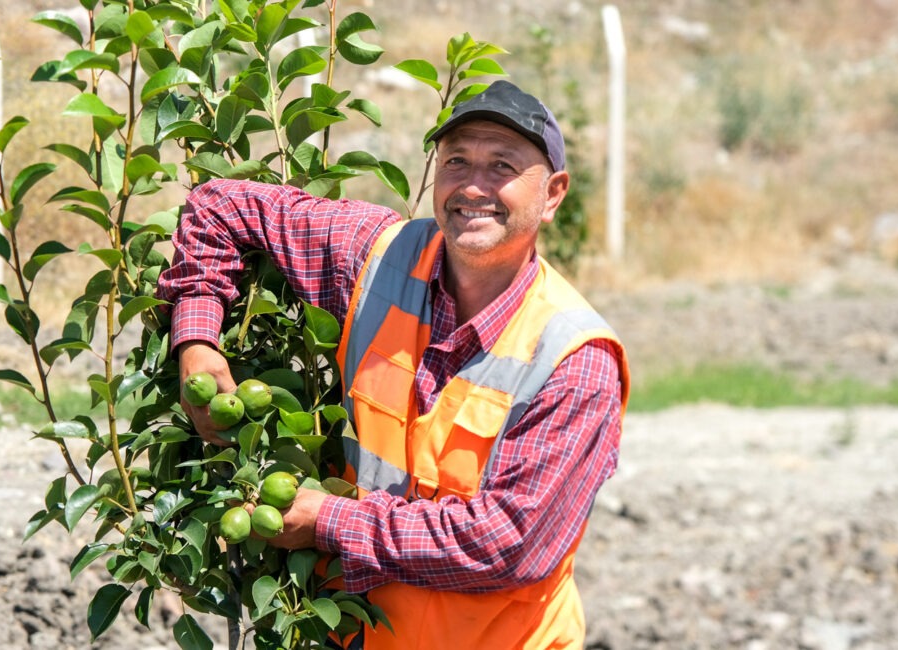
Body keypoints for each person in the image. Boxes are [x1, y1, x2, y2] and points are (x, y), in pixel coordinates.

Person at [157, 80, 630, 650]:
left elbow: (511, 542)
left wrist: (330, 521)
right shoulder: (377, 259)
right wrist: (196, 342)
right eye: (457, 161)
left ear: (552, 194)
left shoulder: (574, 359)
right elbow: (222, 207)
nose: (473, 186)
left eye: (502, 165)